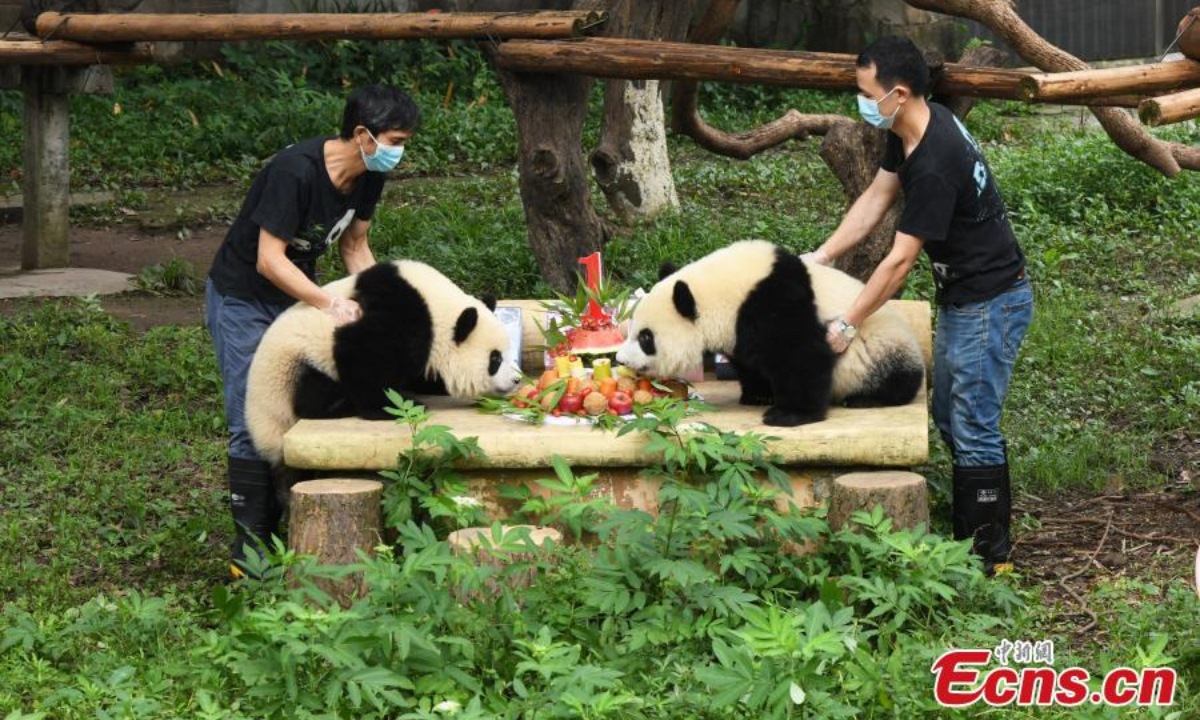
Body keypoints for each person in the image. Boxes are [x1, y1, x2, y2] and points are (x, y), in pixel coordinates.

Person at [805, 37, 1033, 575]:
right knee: (952, 415)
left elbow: (899, 262)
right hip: (966, 296)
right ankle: (978, 527)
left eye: (866, 93)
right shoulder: (912, 130)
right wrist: (822, 255)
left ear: (898, 93)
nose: (860, 103)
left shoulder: (934, 162)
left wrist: (847, 321)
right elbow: (875, 200)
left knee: (973, 424)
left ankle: (987, 561)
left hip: (991, 301)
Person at [204, 84, 419, 574]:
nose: (400, 151)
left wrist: (383, 302)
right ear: (363, 134)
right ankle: (250, 553)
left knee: (302, 403)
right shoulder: (294, 172)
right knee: (251, 417)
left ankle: (296, 524)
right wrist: (328, 303)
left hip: (293, 294)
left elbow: (355, 245)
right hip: (244, 298)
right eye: (396, 140)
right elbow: (267, 260)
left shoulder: (367, 174)